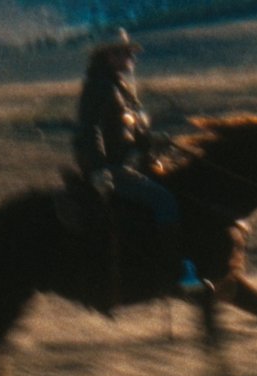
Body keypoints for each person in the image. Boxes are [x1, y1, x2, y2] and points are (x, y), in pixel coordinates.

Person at [73, 31, 207, 296]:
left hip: (128, 164)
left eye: (130, 52)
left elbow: (126, 131)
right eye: (124, 52)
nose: (131, 57)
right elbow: (91, 130)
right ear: (108, 56)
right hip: (113, 169)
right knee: (164, 201)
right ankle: (172, 276)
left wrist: (152, 142)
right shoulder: (100, 87)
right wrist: (99, 169)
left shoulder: (118, 86)